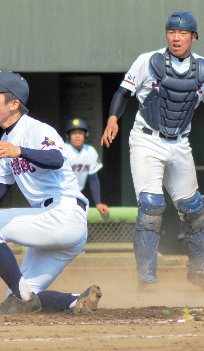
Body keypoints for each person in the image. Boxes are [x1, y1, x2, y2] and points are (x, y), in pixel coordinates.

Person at [0, 68, 102, 315]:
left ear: (14, 103)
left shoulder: (34, 129)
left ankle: (26, 297)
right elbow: (0, 188)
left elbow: (56, 158)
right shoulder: (7, 138)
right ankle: (76, 300)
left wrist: (19, 151)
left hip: (63, 213)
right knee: (18, 295)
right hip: (53, 224)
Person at [101, 11, 204, 290]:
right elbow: (122, 93)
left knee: (194, 209)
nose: (176, 37)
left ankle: (199, 270)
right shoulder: (149, 61)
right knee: (151, 206)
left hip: (180, 143)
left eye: (183, 33)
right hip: (147, 140)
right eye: (171, 32)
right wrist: (112, 119)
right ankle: (146, 277)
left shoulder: (201, 69)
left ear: (193, 36)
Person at [63, 118, 110, 216]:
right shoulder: (63, 149)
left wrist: (98, 203)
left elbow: (93, 179)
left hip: (77, 195)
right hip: (60, 194)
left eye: (80, 132)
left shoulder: (90, 151)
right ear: (68, 136)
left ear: (85, 135)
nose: (77, 136)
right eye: (73, 133)